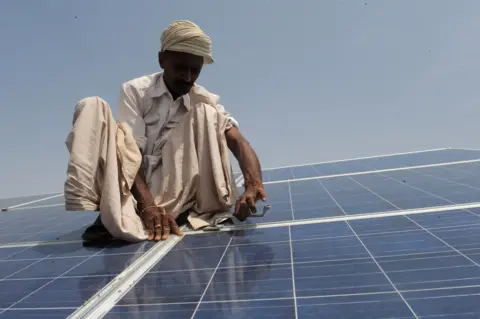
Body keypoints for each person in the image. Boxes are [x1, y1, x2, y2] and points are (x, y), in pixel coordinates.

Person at [64, 20, 267, 242]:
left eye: (194, 70)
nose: (188, 77)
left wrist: (252, 185)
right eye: (180, 68)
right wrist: (147, 206)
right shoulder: (135, 91)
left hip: (176, 186)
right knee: (91, 107)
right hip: (130, 184)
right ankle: (115, 211)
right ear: (162, 60)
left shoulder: (204, 99)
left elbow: (237, 140)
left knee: (208, 113)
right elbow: (128, 154)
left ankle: (176, 209)